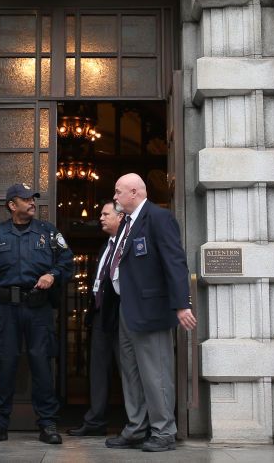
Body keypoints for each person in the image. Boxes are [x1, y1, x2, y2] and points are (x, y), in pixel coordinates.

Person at [0, 183, 74, 445]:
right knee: (4, 365)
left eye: (33, 199)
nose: (32, 203)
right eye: (26, 199)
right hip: (5, 310)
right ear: (12, 205)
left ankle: (48, 424)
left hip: (38, 308)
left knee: (42, 365)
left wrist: (53, 275)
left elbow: (67, 261)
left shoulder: (48, 233)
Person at [106, 173, 196, 453]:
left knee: (156, 372)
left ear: (134, 192)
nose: (115, 197)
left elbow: (175, 262)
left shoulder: (159, 218)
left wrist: (182, 304)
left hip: (151, 310)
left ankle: (164, 431)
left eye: (118, 192)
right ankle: (135, 428)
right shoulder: (127, 224)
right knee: (131, 373)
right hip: (127, 310)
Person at [67, 200, 123, 437]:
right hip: (101, 316)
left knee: (129, 372)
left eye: (105, 213)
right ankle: (95, 421)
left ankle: (140, 423)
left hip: (122, 316)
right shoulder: (105, 246)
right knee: (97, 370)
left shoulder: (127, 243)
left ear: (120, 217)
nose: (100, 217)